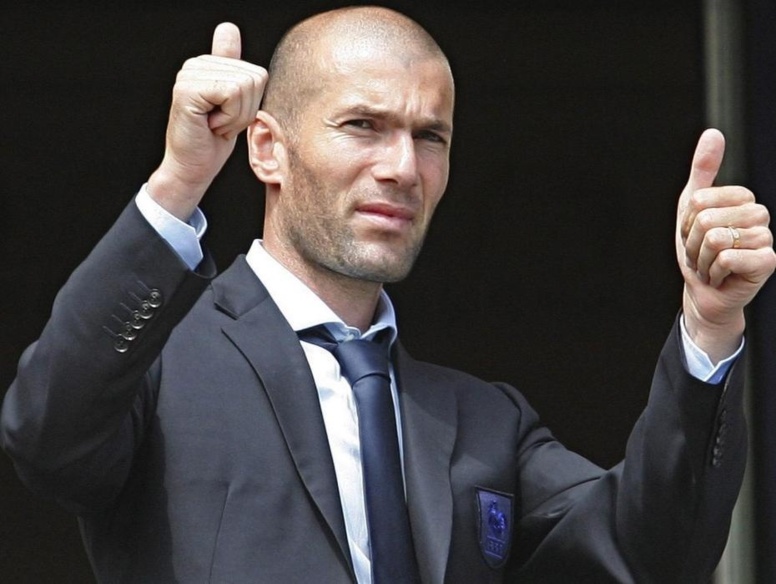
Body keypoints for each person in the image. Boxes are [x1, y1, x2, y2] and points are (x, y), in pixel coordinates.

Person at [2, 6, 774, 583]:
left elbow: (652, 555)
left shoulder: (484, 423)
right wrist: (179, 182)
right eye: (364, 125)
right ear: (266, 148)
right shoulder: (160, 364)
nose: (402, 167)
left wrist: (710, 323)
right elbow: (45, 436)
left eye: (429, 135)